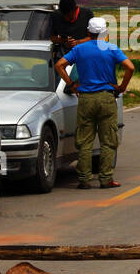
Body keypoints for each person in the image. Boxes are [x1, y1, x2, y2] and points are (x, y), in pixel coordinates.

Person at [55, 17, 135, 189]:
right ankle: (106, 179)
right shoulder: (111, 48)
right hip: (106, 97)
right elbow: (130, 67)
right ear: (104, 32)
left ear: (88, 32)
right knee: (108, 140)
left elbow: (60, 65)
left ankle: (84, 179)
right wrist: (121, 87)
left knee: (85, 141)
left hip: (85, 98)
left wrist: (71, 84)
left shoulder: (79, 49)